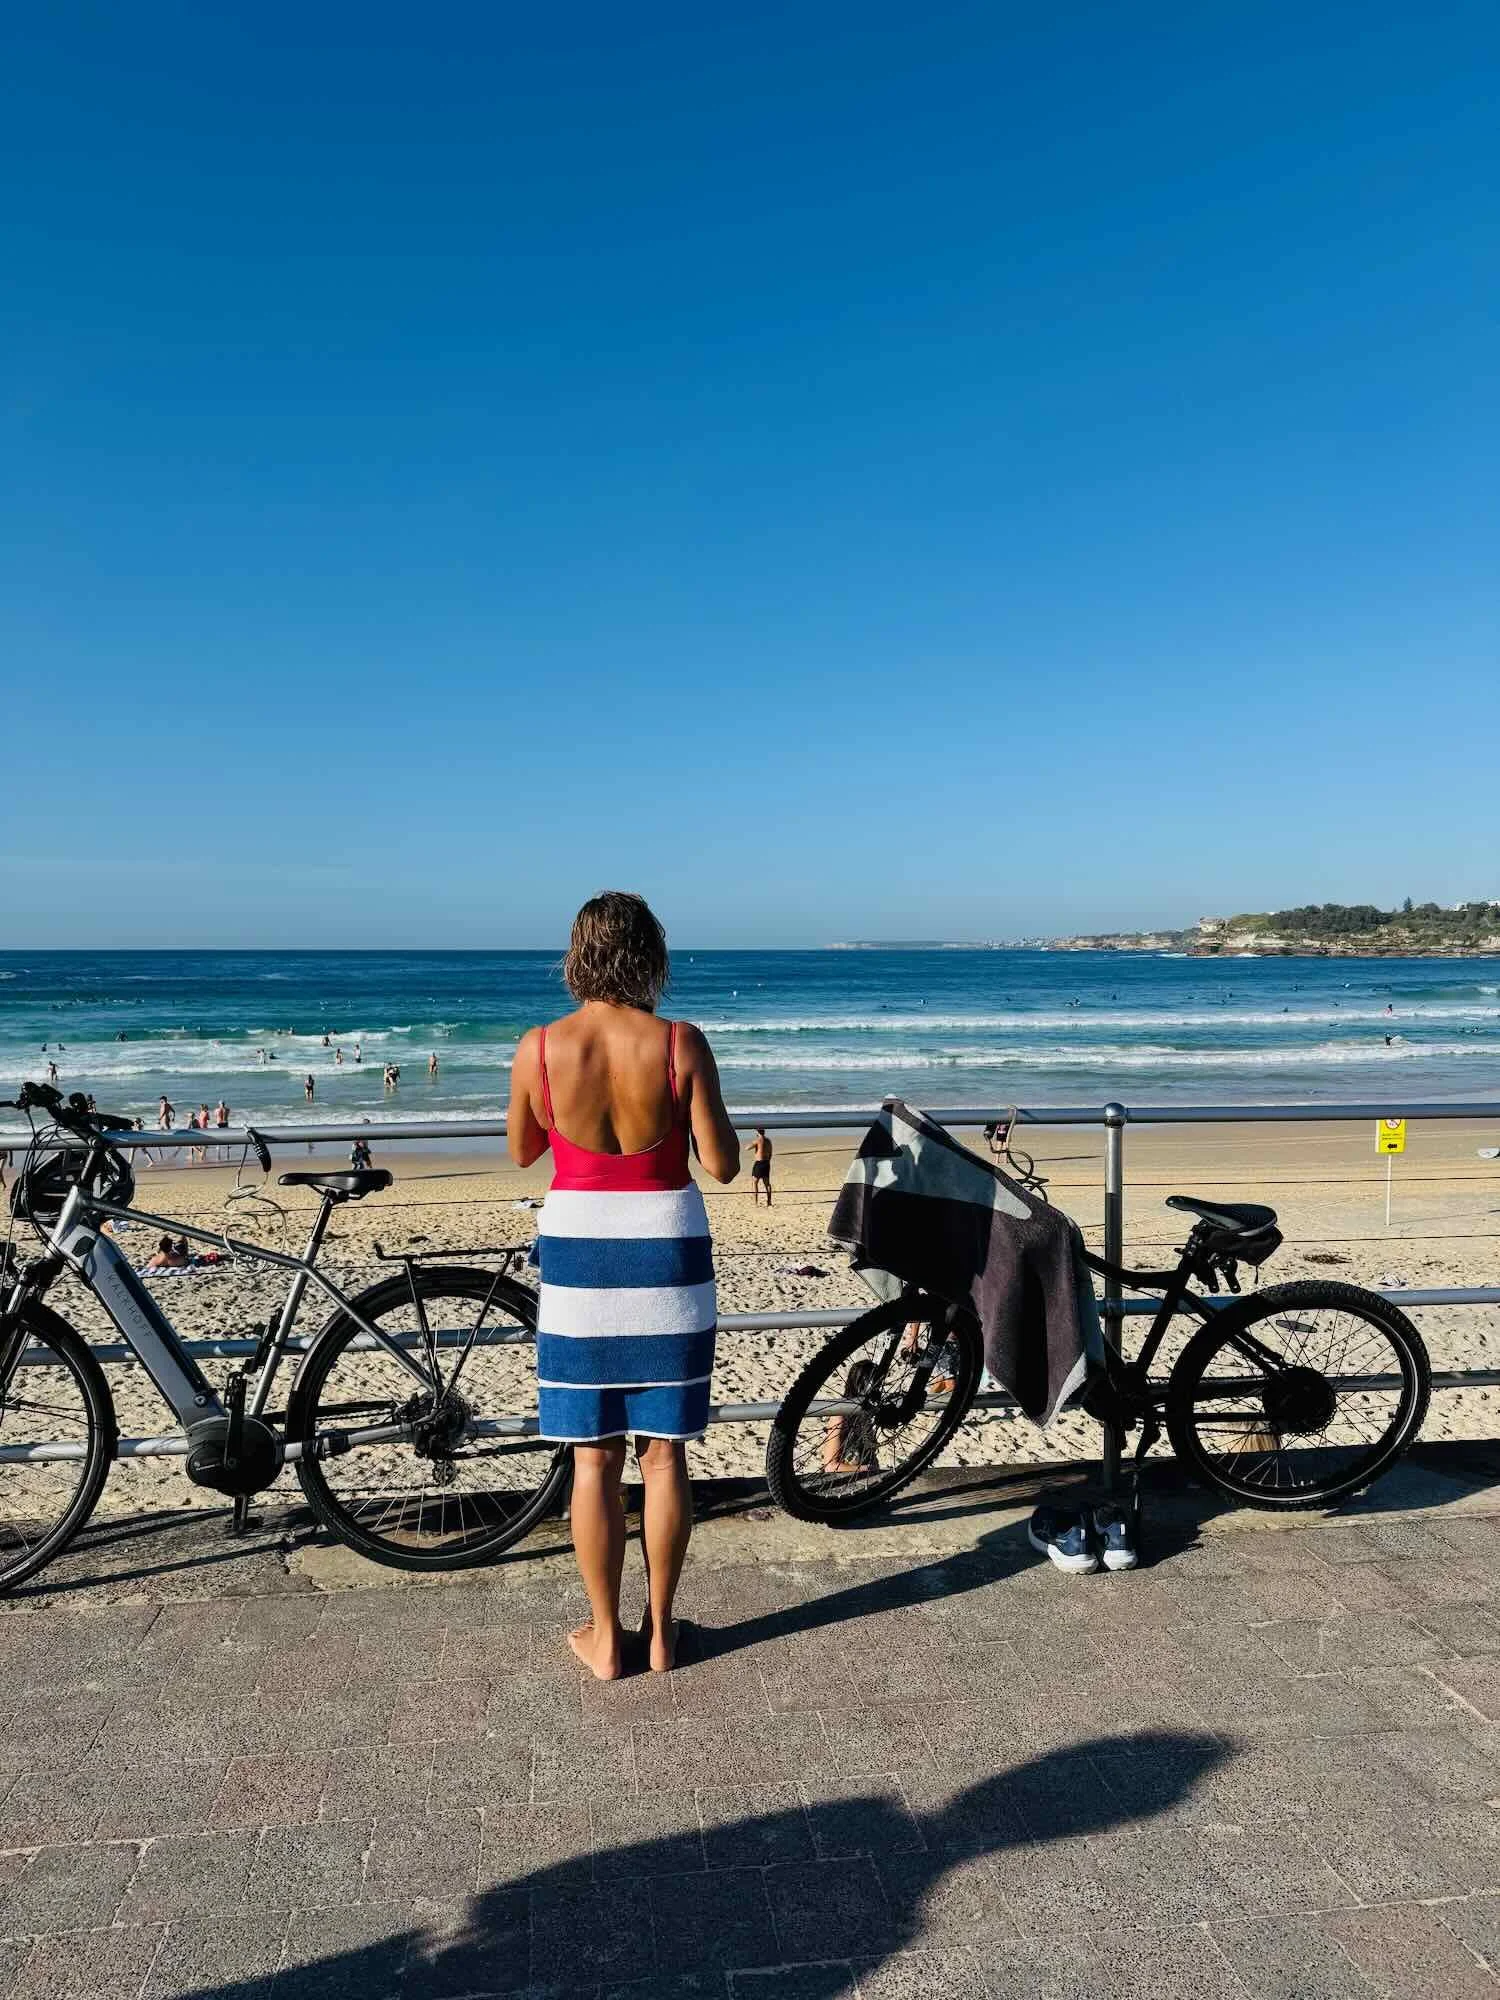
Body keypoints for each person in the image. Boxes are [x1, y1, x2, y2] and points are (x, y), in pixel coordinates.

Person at [508, 891, 739, 1679]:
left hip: (580, 1249)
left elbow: (522, 1150)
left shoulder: (540, 1045)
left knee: (593, 1458)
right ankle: (665, 1632)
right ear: (651, 956)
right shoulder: (680, 1042)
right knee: (665, 1455)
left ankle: (606, 1639)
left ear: (577, 955)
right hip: (665, 1245)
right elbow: (722, 1162)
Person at [750, 1126, 773, 1205]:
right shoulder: (768, 1141)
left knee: (754, 1182)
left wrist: (754, 1143)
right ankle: (769, 1201)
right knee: (767, 1183)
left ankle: (755, 1202)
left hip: (759, 1163)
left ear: (757, 1132)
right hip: (767, 1162)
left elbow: (747, 1148)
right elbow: (770, 1153)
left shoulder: (758, 1140)